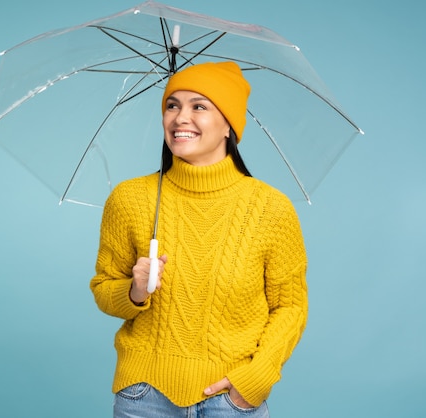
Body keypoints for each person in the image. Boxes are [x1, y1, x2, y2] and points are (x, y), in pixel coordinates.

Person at [90, 61, 308, 417]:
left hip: (231, 399)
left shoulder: (271, 208)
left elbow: (290, 307)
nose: (179, 118)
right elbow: (103, 288)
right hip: (144, 395)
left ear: (229, 125)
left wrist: (255, 379)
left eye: (199, 106)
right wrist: (135, 290)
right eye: (172, 105)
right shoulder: (130, 199)